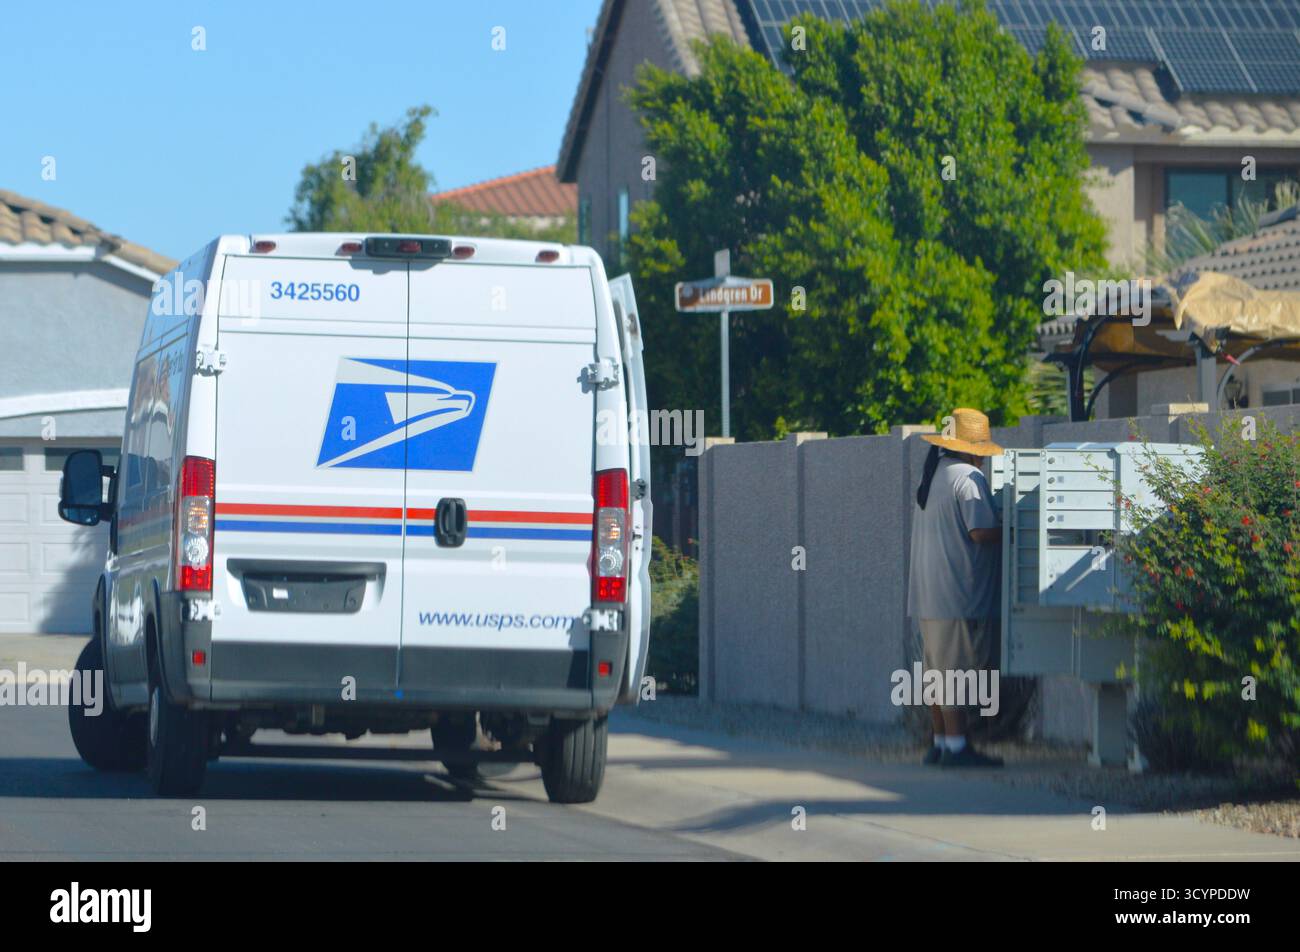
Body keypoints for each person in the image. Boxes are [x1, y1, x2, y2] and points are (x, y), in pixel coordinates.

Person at [907, 407, 1004, 768]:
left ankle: (942, 744)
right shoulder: (968, 479)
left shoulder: (933, 475)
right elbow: (980, 532)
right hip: (958, 595)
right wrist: (1011, 528)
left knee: (937, 674)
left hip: (928, 593)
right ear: (972, 448)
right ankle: (959, 748)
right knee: (958, 674)